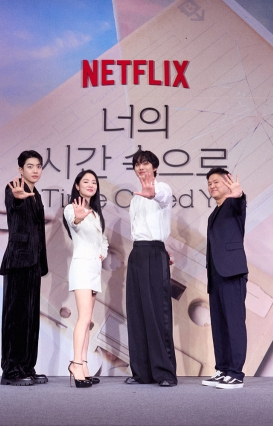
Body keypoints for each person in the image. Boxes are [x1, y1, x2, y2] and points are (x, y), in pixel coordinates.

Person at [124, 150, 177, 387]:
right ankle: (142, 373)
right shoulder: (135, 198)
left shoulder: (163, 188)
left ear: (154, 167)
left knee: (158, 313)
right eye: (136, 164)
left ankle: (164, 373)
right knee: (137, 314)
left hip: (154, 253)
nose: (140, 167)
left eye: (144, 163)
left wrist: (153, 192)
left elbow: (162, 196)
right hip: (137, 253)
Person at [0, 150, 49, 386]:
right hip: (18, 261)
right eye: (30, 166)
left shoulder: (37, 194)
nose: (35, 170)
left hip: (33, 263)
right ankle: (11, 371)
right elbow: (14, 208)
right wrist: (19, 199)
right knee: (15, 318)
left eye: (38, 166)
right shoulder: (14, 188)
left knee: (30, 318)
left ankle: (27, 366)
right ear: (21, 169)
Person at [201, 167, 248, 389]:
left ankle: (236, 373)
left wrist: (237, 194)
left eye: (216, 182)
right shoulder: (213, 214)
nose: (212, 186)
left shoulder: (233, 205)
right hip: (216, 275)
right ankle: (222, 369)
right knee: (219, 325)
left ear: (227, 184)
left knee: (234, 323)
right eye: (209, 183)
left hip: (232, 272)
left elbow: (240, 201)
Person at [62, 169, 108, 388]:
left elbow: (103, 240)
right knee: (84, 317)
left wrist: (103, 252)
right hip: (81, 267)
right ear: (78, 186)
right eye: (86, 181)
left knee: (88, 320)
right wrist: (79, 218)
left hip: (94, 269)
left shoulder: (97, 213)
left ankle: (85, 365)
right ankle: (75, 364)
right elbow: (74, 222)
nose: (91, 185)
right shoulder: (72, 208)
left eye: (94, 182)